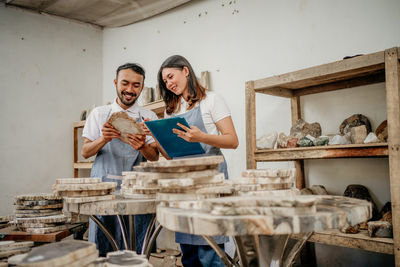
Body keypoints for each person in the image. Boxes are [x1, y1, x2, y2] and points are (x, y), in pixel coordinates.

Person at [157, 55, 239, 267]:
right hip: (185, 185)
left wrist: (201, 136)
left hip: (210, 184)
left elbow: (233, 140)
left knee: (209, 251)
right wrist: (158, 139)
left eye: (170, 76)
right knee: (189, 254)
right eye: (165, 81)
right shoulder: (173, 110)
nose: (169, 83)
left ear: (186, 71)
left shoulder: (212, 99)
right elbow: (172, 156)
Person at [81, 63, 159, 256]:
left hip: (138, 192)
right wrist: (104, 138)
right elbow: (85, 152)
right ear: (116, 83)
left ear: (142, 87)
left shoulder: (148, 117)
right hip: (104, 190)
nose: (130, 90)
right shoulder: (99, 114)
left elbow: (154, 157)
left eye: (136, 85)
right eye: (125, 83)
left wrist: (142, 146)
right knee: (103, 248)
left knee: (138, 250)